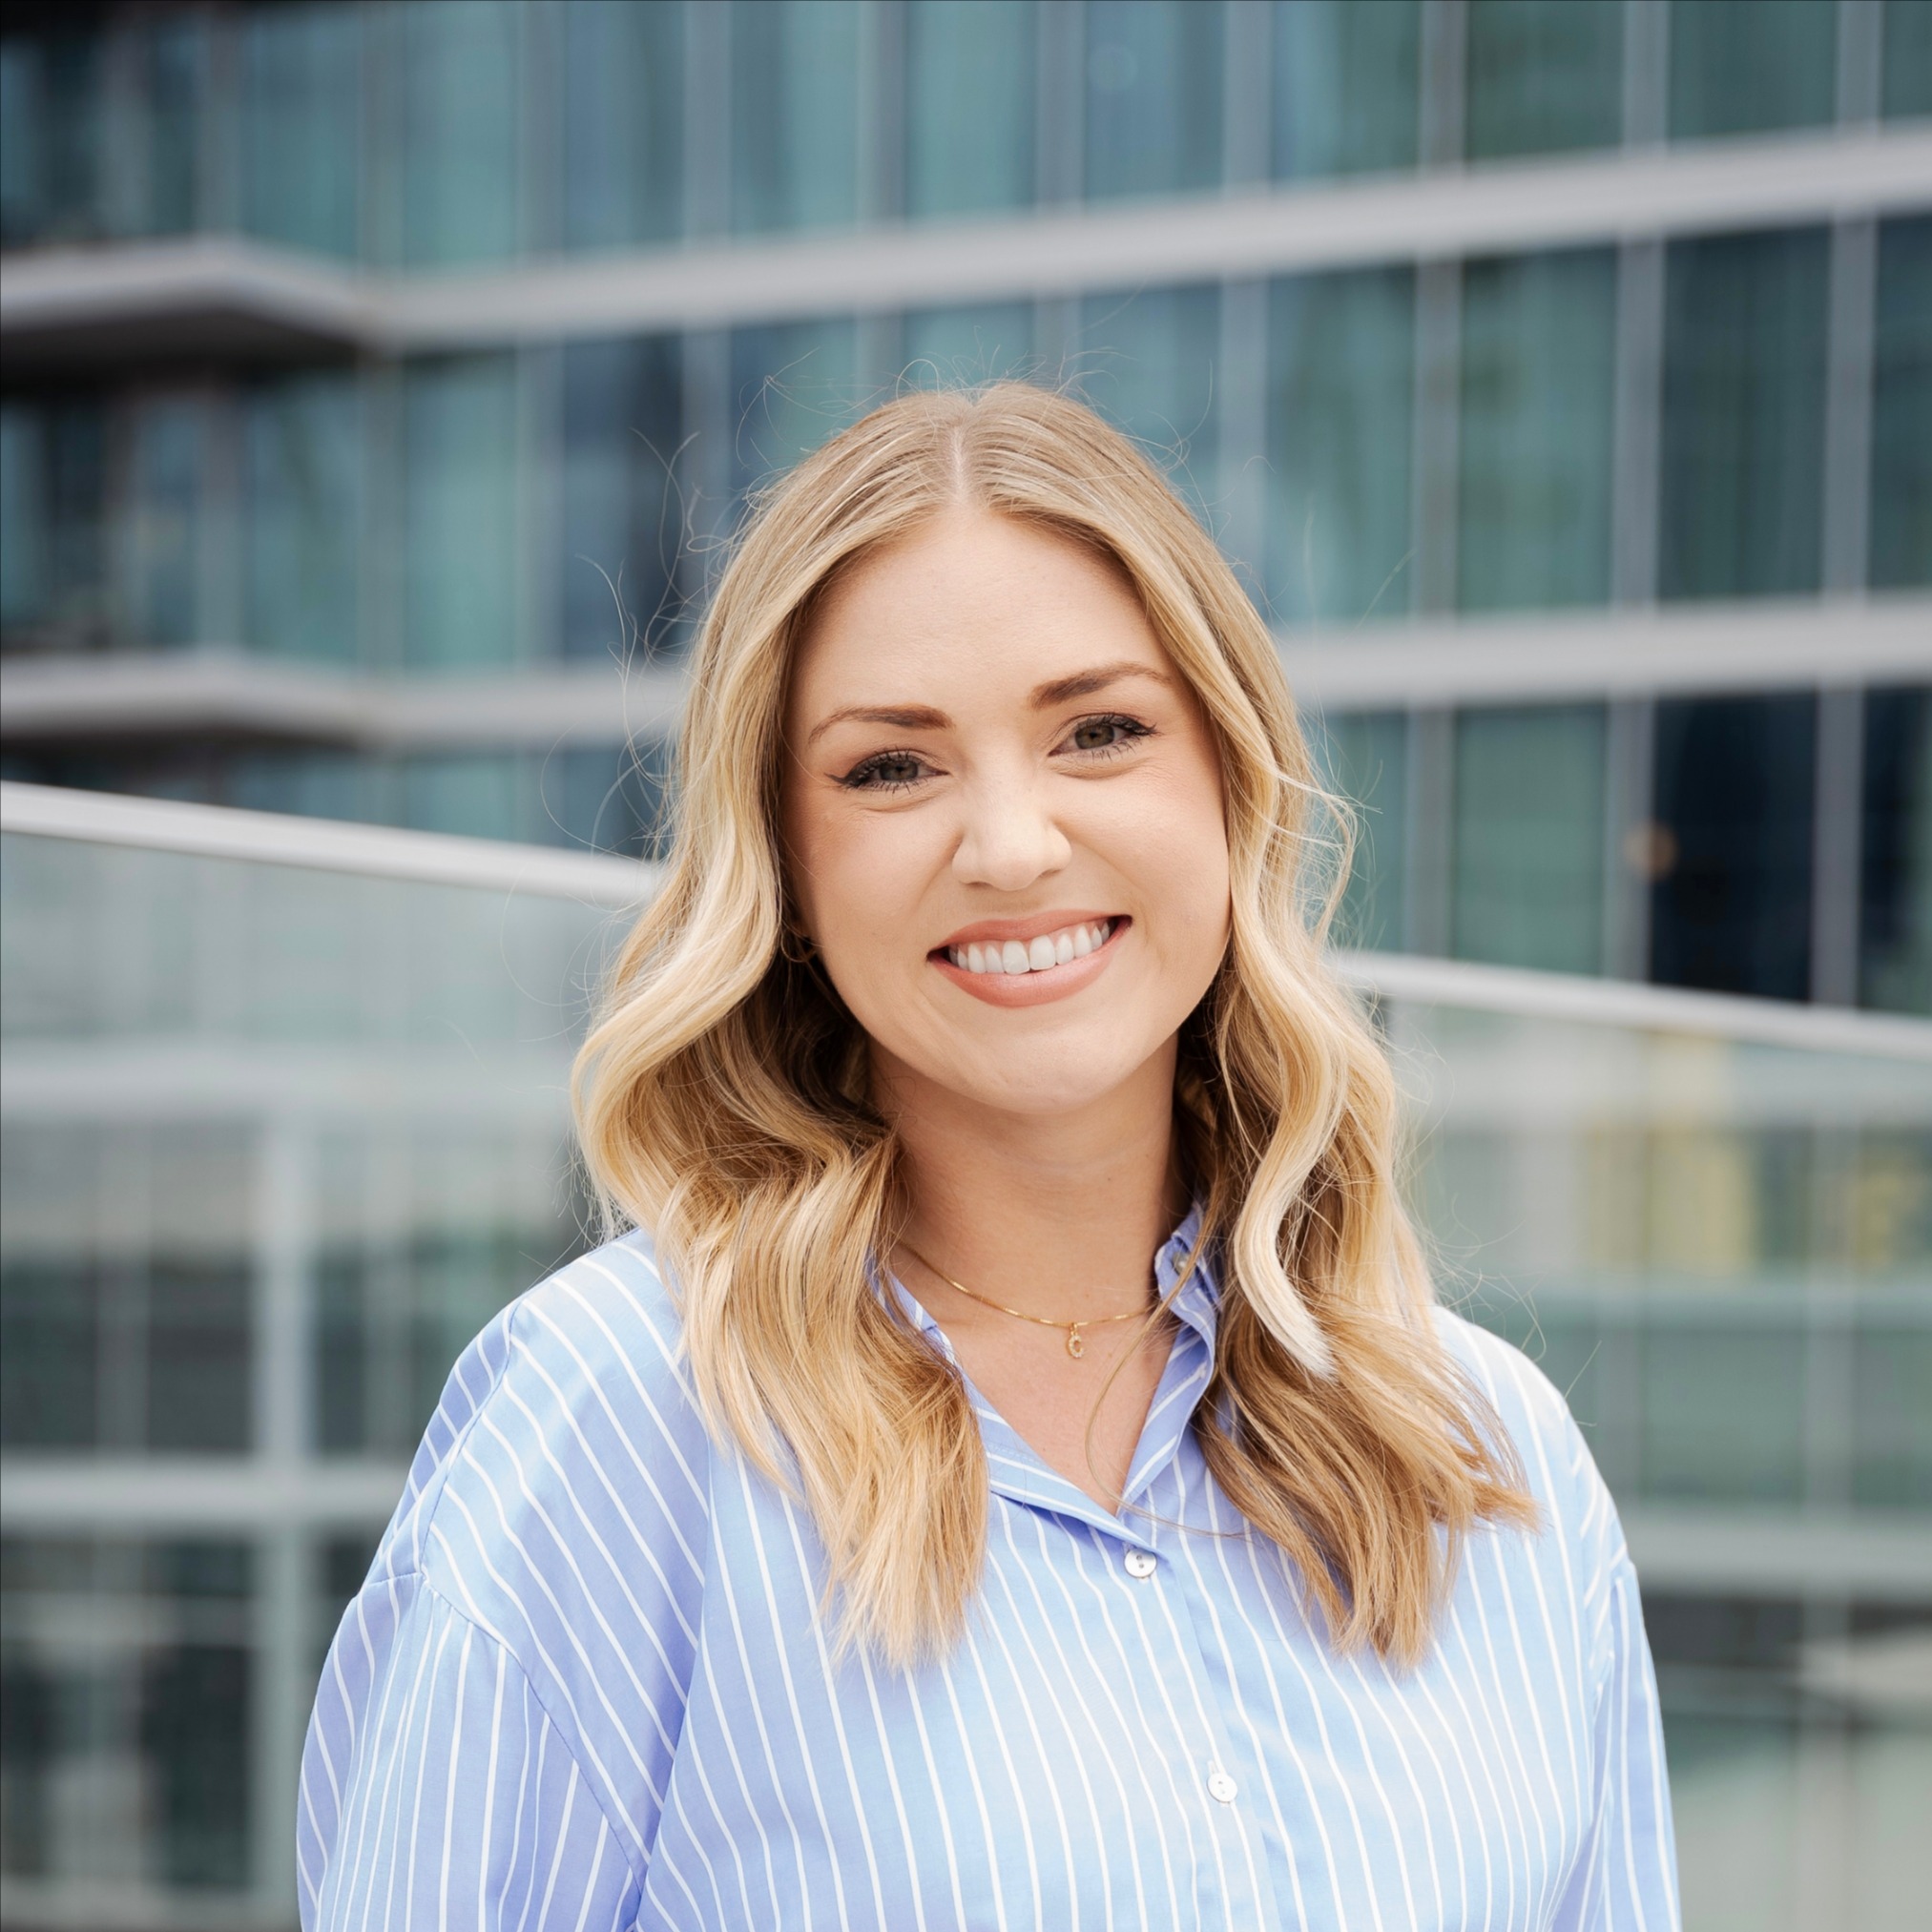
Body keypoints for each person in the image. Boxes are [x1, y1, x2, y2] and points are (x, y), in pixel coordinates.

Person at [298, 384, 1678, 1929]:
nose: (1012, 843)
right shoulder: (620, 1420)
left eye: (1099, 731)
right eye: (891, 766)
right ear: (791, 870)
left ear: (1226, 787)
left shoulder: (1489, 1453)